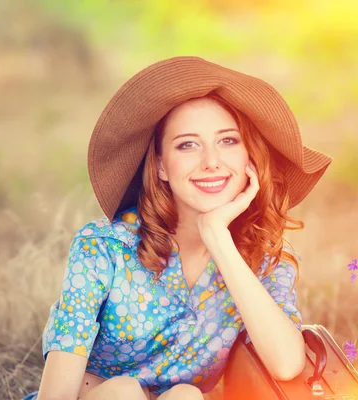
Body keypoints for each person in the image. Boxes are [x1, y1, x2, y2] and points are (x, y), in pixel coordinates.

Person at [24, 56, 332, 400]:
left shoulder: (265, 256)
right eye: (188, 144)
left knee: (186, 395)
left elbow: (287, 364)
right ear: (160, 167)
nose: (211, 161)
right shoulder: (104, 247)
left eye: (228, 141)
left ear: (250, 158)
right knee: (126, 393)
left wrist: (218, 237)